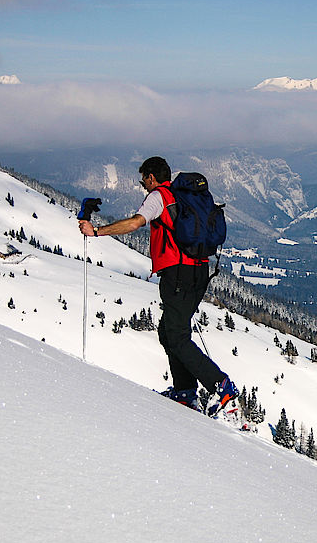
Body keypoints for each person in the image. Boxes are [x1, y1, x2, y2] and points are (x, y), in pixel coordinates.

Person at [78, 156, 237, 415]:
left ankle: (221, 386)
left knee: (176, 335)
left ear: (152, 177)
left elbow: (135, 223)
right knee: (168, 331)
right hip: (199, 270)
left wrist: (96, 232)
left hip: (178, 274)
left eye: (143, 179)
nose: (142, 184)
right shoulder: (181, 196)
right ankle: (185, 391)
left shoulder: (159, 197)